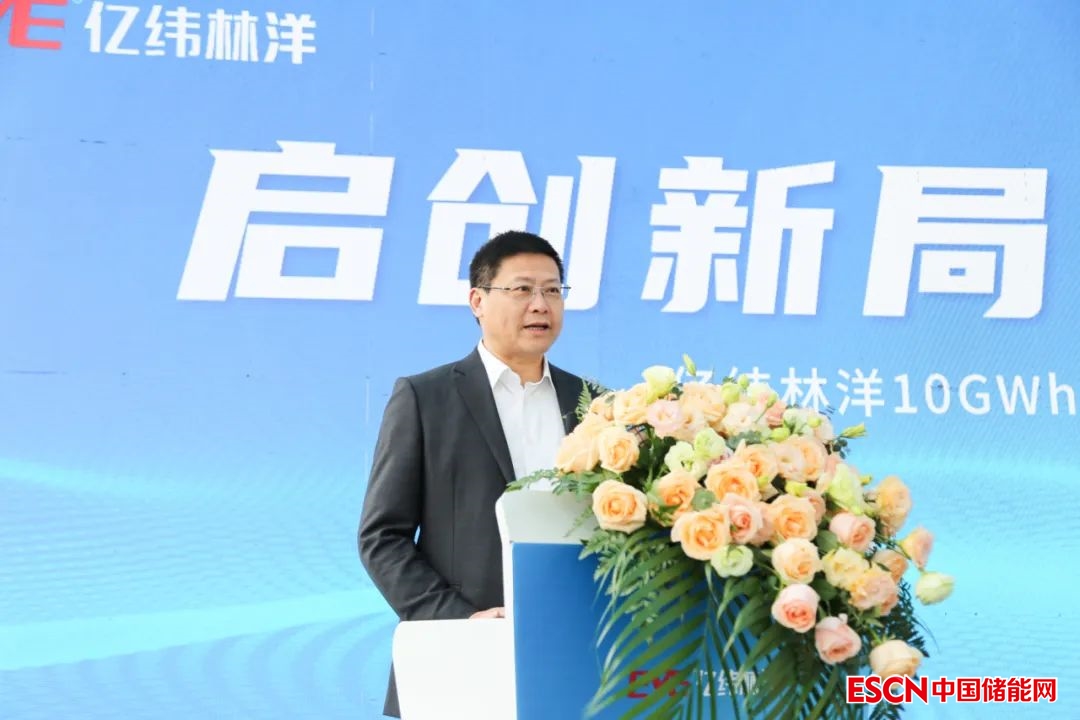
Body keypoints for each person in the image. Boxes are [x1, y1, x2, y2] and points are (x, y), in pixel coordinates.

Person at [358, 230, 593, 718]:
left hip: (576, 656)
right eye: (522, 289)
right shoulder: (425, 399)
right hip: (459, 660)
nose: (540, 304)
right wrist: (460, 620)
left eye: (553, 290)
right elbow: (382, 537)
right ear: (478, 302)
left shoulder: (597, 406)